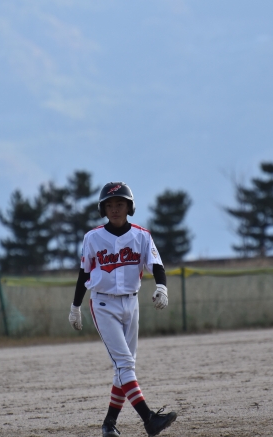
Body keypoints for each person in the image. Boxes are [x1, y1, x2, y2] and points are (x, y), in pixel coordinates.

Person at [68, 182, 178, 437]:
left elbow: (157, 265)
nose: (115, 209)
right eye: (110, 205)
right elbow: (84, 274)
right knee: (125, 364)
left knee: (125, 368)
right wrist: (75, 306)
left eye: (120, 204)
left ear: (129, 207)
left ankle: (109, 424)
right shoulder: (93, 237)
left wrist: (162, 287)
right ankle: (149, 419)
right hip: (103, 304)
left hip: (131, 303)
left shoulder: (142, 235)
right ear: (103, 209)